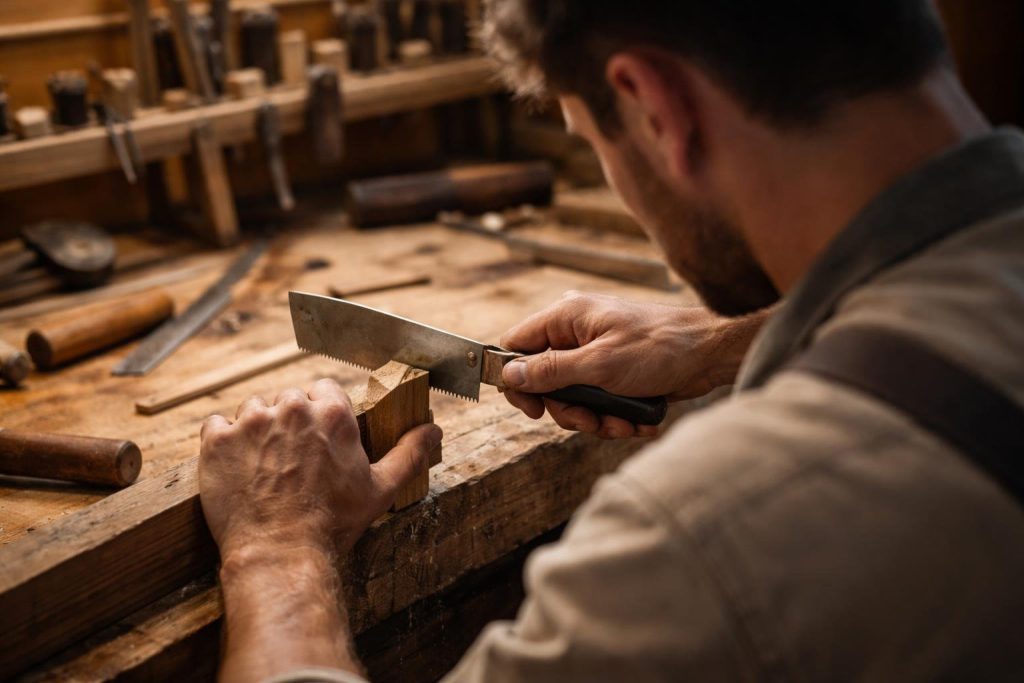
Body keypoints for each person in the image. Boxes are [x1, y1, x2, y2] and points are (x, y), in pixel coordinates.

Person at [198, 1, 1024, 681]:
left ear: (655, 108)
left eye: (596, 145)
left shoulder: (704, 534)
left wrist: (277, 551)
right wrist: (727, 341)